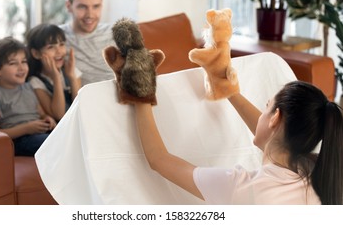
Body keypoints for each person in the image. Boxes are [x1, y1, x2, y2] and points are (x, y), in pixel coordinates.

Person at [134, 81, 343, 204]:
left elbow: (158, 159)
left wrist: (140, 92)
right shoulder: (321, 170)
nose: (260, 115)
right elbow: (274, 137)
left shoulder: (243, 188)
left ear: (275, 117)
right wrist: (230, 92)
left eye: (266, 107)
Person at [0, 0, 115, 124]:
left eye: (96, 6)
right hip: (92, 108)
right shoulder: (58, 39)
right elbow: (13, 59)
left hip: (122, 99)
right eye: (82, 6)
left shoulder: (116, 32)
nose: (90, 15)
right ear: (69, 6)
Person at [0, 37, 57, 156]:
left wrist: (48, 119)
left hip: (39, 133)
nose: (21, 68)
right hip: (19, 140)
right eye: (13, 63)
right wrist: (27, 128)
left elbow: (41, 113)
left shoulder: (28, 87)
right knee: (56, 143)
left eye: (24, 61)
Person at [26, 23, 82, 121]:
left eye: (61, 44)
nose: (59, 51)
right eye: (50, 47)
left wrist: (72, 77)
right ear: (36, 53)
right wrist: (56, 77)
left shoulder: (70, 71)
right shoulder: (35, 82)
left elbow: (80, 108)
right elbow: (59, 115)